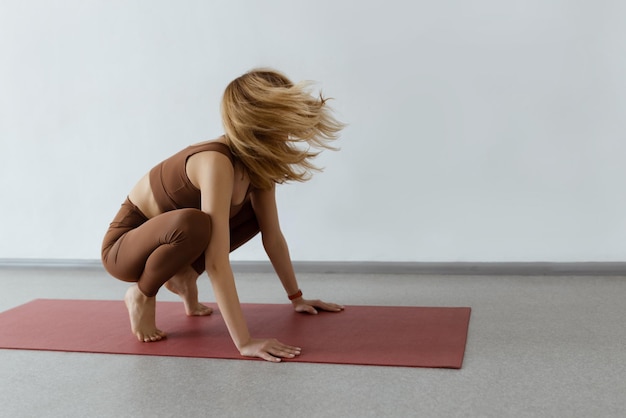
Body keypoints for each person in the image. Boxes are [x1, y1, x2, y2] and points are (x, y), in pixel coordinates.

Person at [101, 68, 345, 363]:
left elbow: (273, 235)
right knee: (196, 223)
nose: (289, 129)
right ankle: (141, 295)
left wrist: (297, 298)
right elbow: (217, 260)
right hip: (123, 250)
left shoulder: (258, 165)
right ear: (259, 119)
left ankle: (184, 276)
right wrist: (245, 342)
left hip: (170, 242)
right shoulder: (216, 161)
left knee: (252, 217)